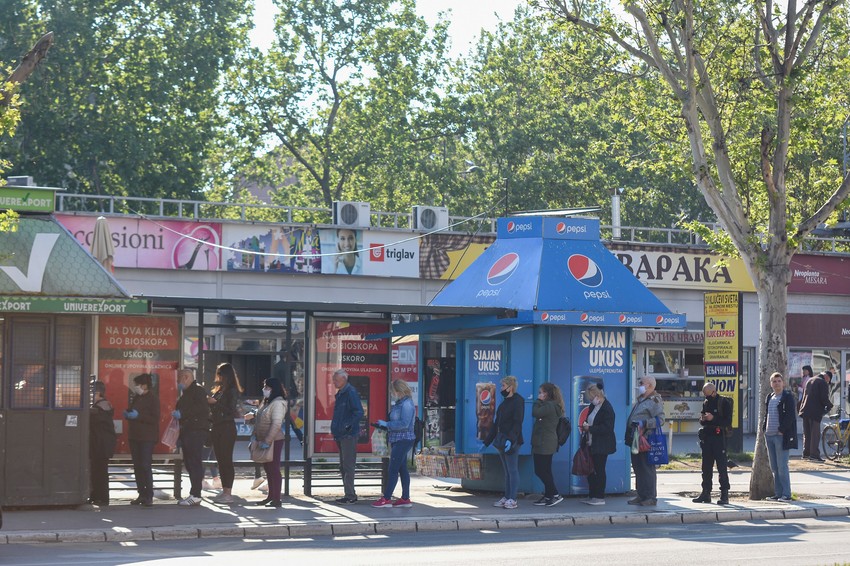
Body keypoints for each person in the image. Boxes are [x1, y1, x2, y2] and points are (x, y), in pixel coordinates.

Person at [372, 380, 416, 508]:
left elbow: (404, 424)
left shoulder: (406, 404)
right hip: (397, 439)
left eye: (392, 391)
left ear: (398, 391)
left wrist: (387, 424)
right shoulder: (399, 403)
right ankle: (405, 499)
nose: (392, 394)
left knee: (392, 469)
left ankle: (386, 499)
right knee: (402, 469)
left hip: (403, 439)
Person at [484, 375, 525, 509]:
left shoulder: (518, 401)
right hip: (501, 440)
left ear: (510, 387)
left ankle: (513, 499)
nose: (501, 388)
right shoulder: (503, 403)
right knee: (507, 471)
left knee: (512, 470)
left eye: (503, 386)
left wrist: (511, 439)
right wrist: (487, 442)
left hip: (512, 441)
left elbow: (517, 422)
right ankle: (507, 496)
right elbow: (496, 424)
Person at [624, 376, 665, 506]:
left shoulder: (654, 400)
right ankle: (641, 495)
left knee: (646, 468)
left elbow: (661, 419)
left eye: (642, 383)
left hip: (645, 440)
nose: (639, 385)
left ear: (650, 386)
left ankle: (650, 497)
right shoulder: (642, 399)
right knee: (637, 468)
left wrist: (644, 423)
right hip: (635, 438)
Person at [246, 377, 287, 507]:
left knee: (274, 469)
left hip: (274, 440)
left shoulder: (278, 403)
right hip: (263, 439)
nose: (264, 390)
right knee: (268, 468)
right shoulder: (267, 401)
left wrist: (268, 441)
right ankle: (271, 496)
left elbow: (276, 424)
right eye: (264, 387)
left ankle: (277, 499)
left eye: (267, 387)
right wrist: (255, 436)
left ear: (273, 389)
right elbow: (259, 419)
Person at [173, 368, 210, 506]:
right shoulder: (187, 392)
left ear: (187, 377)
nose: (178, 382)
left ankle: (196, 494)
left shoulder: (197, 391)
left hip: (195, 431)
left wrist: (182, 413)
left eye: (179, 379)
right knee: (189, 463)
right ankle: (194, 493)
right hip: (188, 431)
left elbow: (201, 409)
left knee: (194, 462)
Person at [207, 362, 243, 504]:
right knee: (221, 461)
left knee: (226, 460)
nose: (218, 376)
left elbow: (230, 409)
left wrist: (214, 403)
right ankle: (224, 491)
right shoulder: (220, 389)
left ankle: (228, 492)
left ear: (226, 375)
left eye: (220, 374)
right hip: (217, 426)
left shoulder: (232, 390)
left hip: (227, 427)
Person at [692, 382, 731, 505]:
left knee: (721, 467)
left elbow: (728, 422)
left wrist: (713, 418)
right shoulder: (706, 402)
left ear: (714, 391)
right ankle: (706, 493)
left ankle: (724, 494)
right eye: (705, 395)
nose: (707, 397)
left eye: (708, 395)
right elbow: (703, 420)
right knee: (706, 467)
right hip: (707, 438)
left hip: (720, 438)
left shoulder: (724, 402)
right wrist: (703, 419)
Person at [125, 373, 159, 507]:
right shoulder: (137, 397)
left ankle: (149, 495)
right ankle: (141, 494)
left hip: (147, 437)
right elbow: (133, 411)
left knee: (145, 465)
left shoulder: (153, 399)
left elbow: (155, 418)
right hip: (135, 435)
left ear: (145, 385)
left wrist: (138, 416)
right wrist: (128, 414)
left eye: (138, 385)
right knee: (137, 466)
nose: (136, 387)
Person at [762, 372, 798, 502]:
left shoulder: (787, 397)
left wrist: (781, 430)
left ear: (783, 383)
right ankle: (778, 493)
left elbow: (790, 416)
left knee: (782, 466)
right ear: (771, 384)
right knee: (774, 467)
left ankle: (786, 494)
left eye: (779, 381)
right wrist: (763, 428)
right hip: (769, 435)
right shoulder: (770, 397)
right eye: (774, 381)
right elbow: (766, 414)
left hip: (780, 436)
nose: (776, 383)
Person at [330, 369, 364, 504]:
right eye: (334, 379)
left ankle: (350, 495)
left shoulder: (350, 392)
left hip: (348, 435)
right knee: (343, 466)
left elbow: (359, 412)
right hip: (341, 434)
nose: (334, 382)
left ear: (344, 379)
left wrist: (347, 426)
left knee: (348, 466)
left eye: (336, 379)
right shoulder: (342, 393)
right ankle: (348, 494)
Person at [581, 382, 616, 506]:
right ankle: (592, 495)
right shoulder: (593, 406)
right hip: (591, 442)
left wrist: (590, 428)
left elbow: (607, 428)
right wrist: (585, 425)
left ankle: (599, 497)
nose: (591, 401)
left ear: (598, 395)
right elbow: (589, 419)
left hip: (602, 444)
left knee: (599, 470)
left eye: (592, 398)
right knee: (591, 470)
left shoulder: (607, 408)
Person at [531, 382, 564, 507]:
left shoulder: (549, 405)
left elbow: (536, 412)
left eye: (541, 392)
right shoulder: (551, 405)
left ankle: (555, 494)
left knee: (540, 470)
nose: (539, 394)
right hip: (545, 441)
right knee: (545, 470)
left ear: (547, 393)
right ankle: (549, 495)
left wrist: (537, 401)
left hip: (545, 442)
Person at [89, 380, 116, 506]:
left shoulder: (98, 409)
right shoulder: (104, 407)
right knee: (99, 471)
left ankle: (101, 497)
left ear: (98, 393)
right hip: (102, 445)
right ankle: (98, 496)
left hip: (100, 445)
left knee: (99, 471)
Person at [799, 370, 833, 462]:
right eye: (828, 380)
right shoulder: (822, 382)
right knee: (815, 434)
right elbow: (824, 398)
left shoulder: (810, 380)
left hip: (805, 411)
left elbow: (804, 396)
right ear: (827, 377)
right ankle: (814, 455)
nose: (828, 382)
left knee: (807, 433)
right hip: (815, 412)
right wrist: (830, 405)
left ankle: (806, 453)